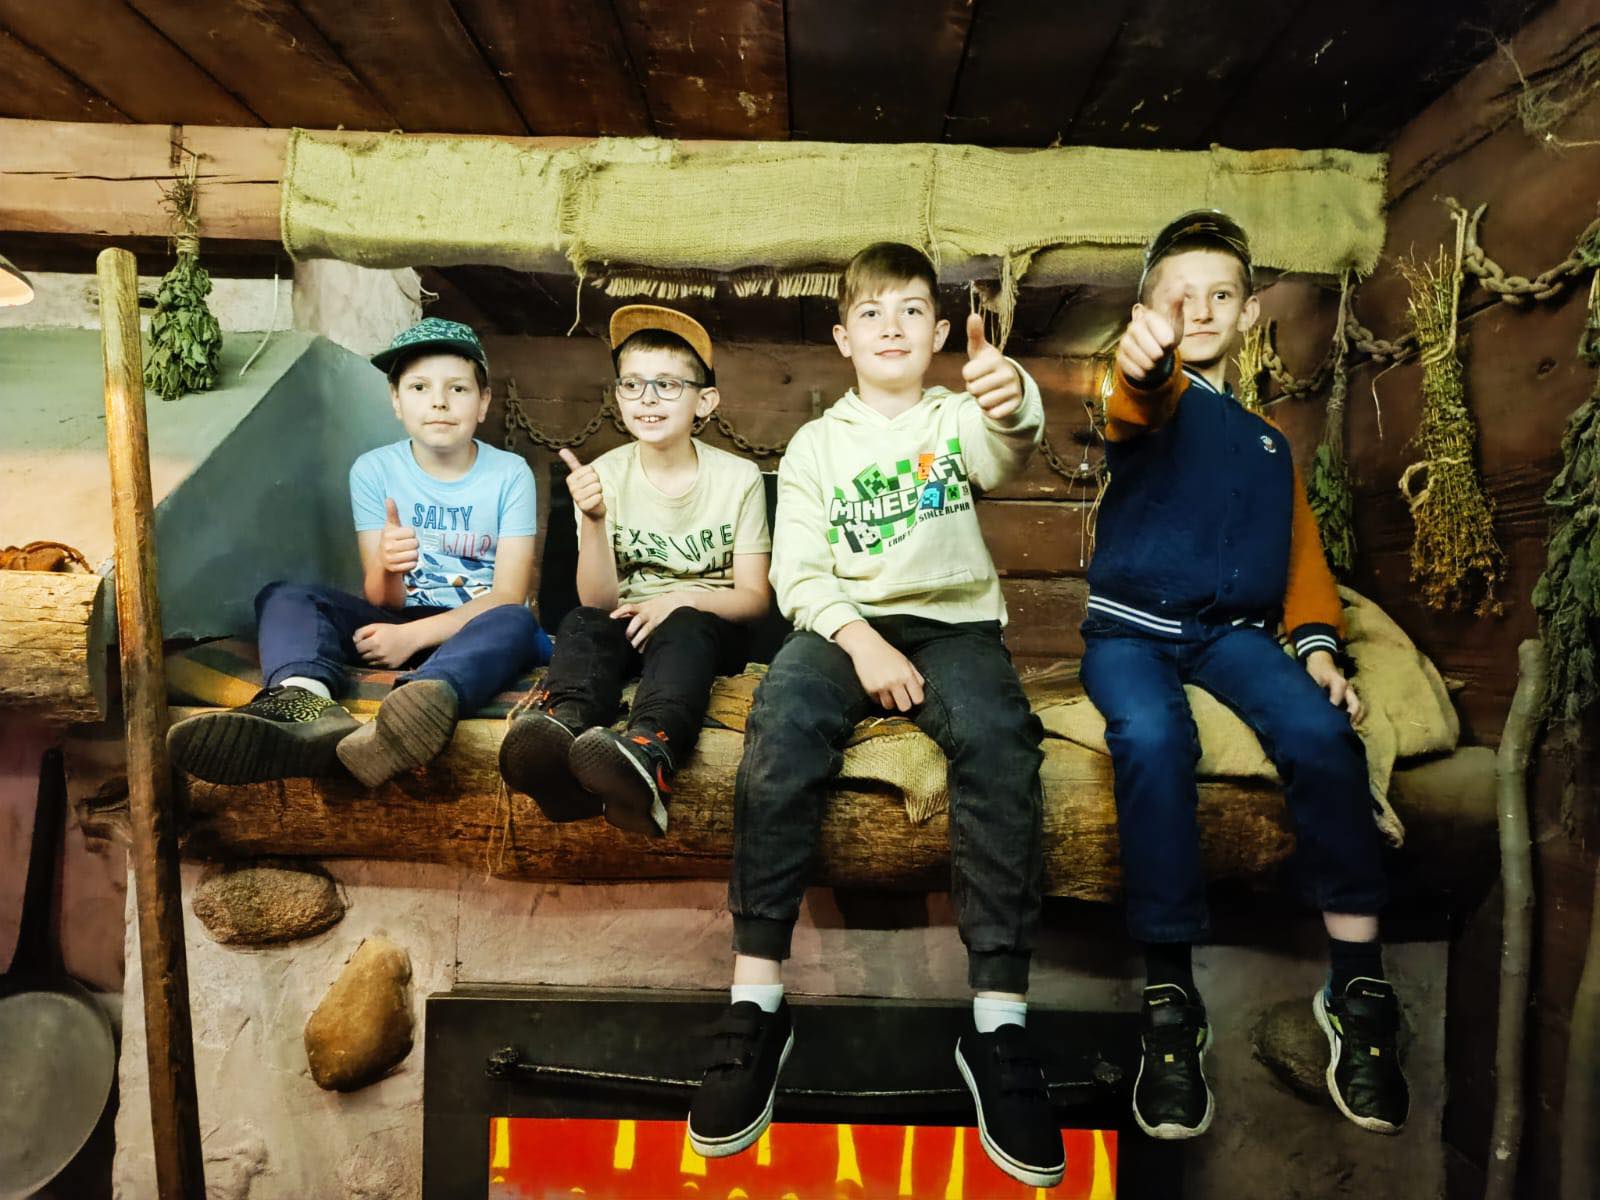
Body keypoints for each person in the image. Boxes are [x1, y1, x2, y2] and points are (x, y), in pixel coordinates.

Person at [686, 243, 1063, 1189]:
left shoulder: (954, 416)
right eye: (872, 313)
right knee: (780, 720)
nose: (891, 327)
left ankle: (999, 1024)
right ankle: (757, 1000)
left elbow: (1006, 443)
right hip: (841, 626)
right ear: (842, 337)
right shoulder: (817, 445)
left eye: (911, 312)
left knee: (1002, 741)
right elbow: (799, 574)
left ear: (937, 336)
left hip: (954, 629)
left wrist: (1010, 393)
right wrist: (862, 644)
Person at [1086, 210, 1409, 1139]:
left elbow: (1300, 556)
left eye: (1220, 295)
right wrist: (1141, 363)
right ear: (1147, 315)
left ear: (1249, 313)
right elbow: (1133, 398)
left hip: (1231, 637)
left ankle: (1356, 988)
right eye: (1178, 299)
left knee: (1321, 732)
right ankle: (1170, 1001)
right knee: (1153, 738)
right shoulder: (1151, 396)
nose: (1199, 311)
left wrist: (1317, 648)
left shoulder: (1270, 443)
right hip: (1132, 633)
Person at [167, 317, 551, 788]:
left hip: (480, 628)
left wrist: (412, 638)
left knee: (517, 621)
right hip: (397, 619)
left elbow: (507, 595)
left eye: (458, 389)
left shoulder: (509, 473)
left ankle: (415, 710)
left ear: (484, 401)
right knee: (285, 597)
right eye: (419, 387)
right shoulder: (374, 470)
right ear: (396, 401)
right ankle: (302, 703)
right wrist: (388, 568)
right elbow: (381, 599)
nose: (439, 402)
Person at [498, 305, 771, 836]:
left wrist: (678, 600)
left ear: (705, 402)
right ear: (619, 396)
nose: (647, 398)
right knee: (582, 623)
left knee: (686, 625)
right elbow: (598, 602)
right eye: (632, 384)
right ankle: (562, 732)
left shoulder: (738, 478)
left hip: (705, 628)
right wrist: (594, 519)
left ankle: (650, 752)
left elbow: (755, 598)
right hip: (628, 623)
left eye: (667, 384)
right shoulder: (603, 475)